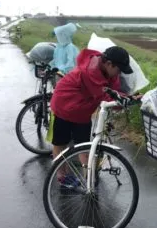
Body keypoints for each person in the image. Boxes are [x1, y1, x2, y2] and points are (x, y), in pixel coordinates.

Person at [50, 46, 134, 188]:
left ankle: (89, 177)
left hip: (82, 110)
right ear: (109, 64)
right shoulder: (90, 72)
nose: (118, 74)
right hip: (63, 105)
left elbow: (114, 91)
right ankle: (62, 176)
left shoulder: (107, 71)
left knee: (83, 145)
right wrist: (124, 102)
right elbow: (105, 97)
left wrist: (128, 97)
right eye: (118, 70)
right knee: (60, 143)